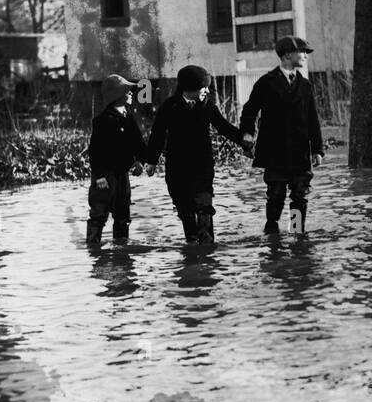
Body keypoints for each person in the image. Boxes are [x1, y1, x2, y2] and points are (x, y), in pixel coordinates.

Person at [144, 64, 251, 244]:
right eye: (203, 87)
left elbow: (225, 128)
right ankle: (192, 250)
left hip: (202, 168)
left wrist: (244, 141)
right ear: (190, 88)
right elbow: (157, 135)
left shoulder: (208, 107)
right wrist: (151, 161)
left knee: (204, 208)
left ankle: (208, 252)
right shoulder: (169, 107)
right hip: (177, 171)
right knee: (186, 213)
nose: (207, 91)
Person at [239, 35, 325, 235]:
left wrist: (318, 149)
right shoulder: (266, 83)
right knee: (276, 195)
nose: (305, 56)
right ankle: (272, 233)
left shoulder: (305, 86)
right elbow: (249, 110)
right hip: (274, 152)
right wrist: (248, 134)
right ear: (287, 55)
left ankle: (297, 233)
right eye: (302, 52)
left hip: (300, 153)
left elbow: (313, 119)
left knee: (300, 196)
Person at [86, 74, 148, 247]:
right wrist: (99, 176)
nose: (130, 93)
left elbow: (139, 144)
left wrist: (140, 162)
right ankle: (93, 249)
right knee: (98, 215)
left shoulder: (129, 116)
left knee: (123, 217)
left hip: (122, 176)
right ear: (115, 96)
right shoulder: (102, 121)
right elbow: (95, 151)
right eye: (126, 91)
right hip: (105, 177)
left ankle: (122, 252)